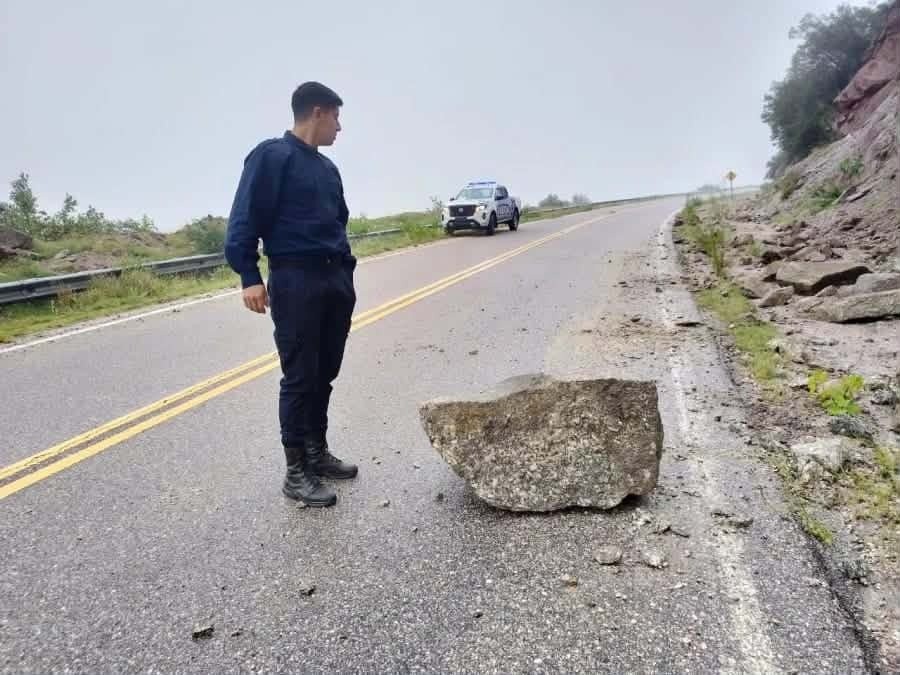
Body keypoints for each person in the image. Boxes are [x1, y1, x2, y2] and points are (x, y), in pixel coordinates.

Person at [224, 81, 358, 508]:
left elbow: (339, 220)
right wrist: (249, 274)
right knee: (300, 377)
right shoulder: (271, 156)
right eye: (336, 116)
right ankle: (296, 472)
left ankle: (317, 452)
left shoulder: (327, 168)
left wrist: (346, 272)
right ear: (317, 112)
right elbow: (244, 218)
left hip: (334, 279)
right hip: (296, 280)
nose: (340, 126)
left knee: (325, 372)